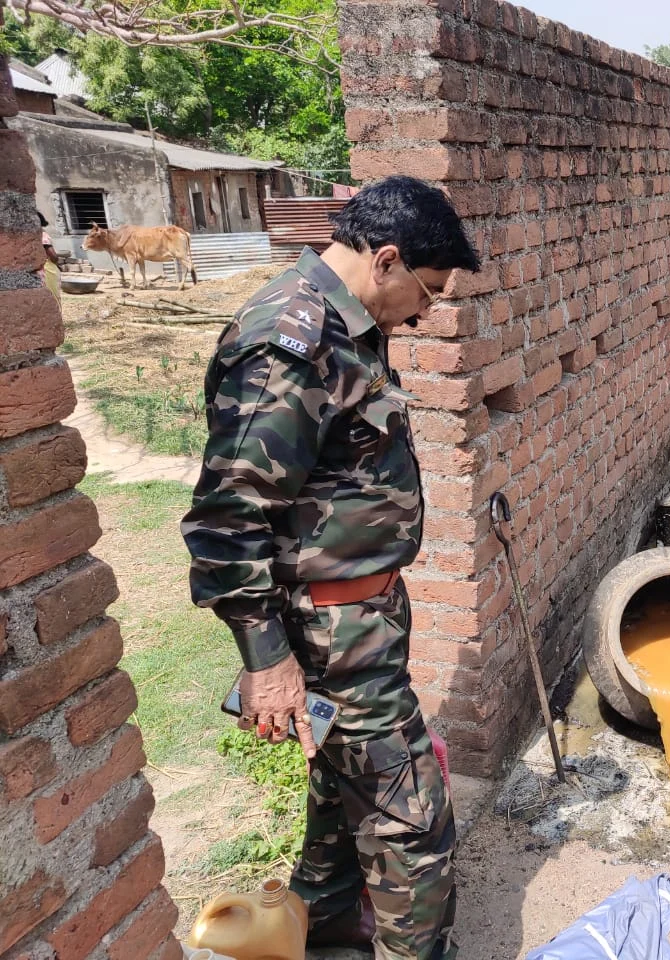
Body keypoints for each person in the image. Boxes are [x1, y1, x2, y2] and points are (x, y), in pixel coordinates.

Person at [182, 175, 480, 959]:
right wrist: (268, 662)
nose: (425, 312)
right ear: (385, 260)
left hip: (362, 619)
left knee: (341, 791)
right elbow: (226, 517)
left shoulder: (351, 327)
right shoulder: (293, 340)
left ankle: (326, 928)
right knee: (413, 822)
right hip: (327, 629)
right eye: (427, 290)